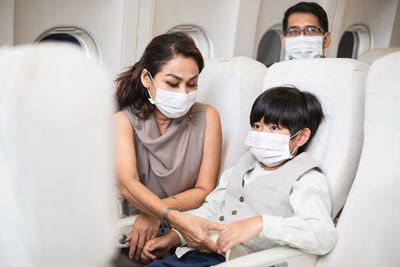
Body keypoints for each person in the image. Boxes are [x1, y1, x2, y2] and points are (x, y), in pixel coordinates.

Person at [141, 86, 337, 266]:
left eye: (274, 128)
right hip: (197, 255)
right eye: (257, 126)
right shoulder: (243, 165)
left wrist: (261, 224)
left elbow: (323, 235)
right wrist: (175, 237)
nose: (261, 133)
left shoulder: (305, 178)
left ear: (301, 137)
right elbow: (212, 209)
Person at [114, 32, 223, 264]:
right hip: (127, 229)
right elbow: (128, 184)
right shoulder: (124, 120)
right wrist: (165, 215)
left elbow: (204, 189)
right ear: (147, 78)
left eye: (191, 84)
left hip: (177, 227)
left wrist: (157, 213)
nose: (183, 93)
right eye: (172, 83)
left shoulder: (208, 117)